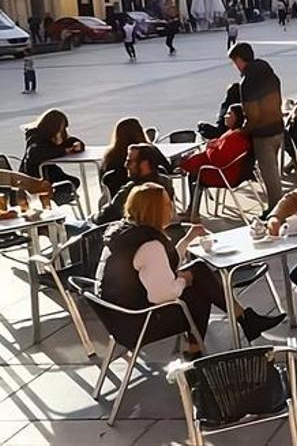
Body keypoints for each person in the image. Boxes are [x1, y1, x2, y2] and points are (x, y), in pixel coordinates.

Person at [95, 183, 284, 354]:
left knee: (199, 271)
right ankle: (241, 322)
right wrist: (184, 279)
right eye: (168, 205)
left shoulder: (125, 234)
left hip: (117, 318)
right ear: (156, 211)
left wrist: (187, 239)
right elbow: (162, 295)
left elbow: (161, 267)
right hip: (139, 324)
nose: (172, 209)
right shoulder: (149, 245)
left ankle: (237, 324)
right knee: (200, 287)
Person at [228, 43, 284, 209]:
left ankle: (276, 209)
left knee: (270, 175)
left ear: (239, 59)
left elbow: (254, 115)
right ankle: (279, 205)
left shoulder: (247, 82)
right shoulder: (270, 74)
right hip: (278, 128)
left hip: (263, 134)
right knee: (275, 172)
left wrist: (242, 131)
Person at [181, 104, 252, 218]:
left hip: (226, 175)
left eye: (229, 114)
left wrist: (209, 147)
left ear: (237, 118)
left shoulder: (236, 137)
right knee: (194, 170)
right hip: (228, 171)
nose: (225, 116)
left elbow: (218, 160)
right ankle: (192, 209)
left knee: (194, 175)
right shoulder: (233, 132)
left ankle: (192, 211)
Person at [91, 143, 176, 227]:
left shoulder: (134, 189)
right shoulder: (166, 182)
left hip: (128, 236)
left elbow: (107, 216)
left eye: (129, 161)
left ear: (144, 164)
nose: (125, 165)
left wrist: (92, 218)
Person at [20, 109, 84, 204]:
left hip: (50, 171)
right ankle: (54, 199)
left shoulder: (55, 136)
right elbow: (35, 154)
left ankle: (57, 198)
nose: (62, 131)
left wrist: (77, 144)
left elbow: (69, 141)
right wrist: (64, 151)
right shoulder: (35, 137)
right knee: (70, 184)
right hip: (36, 174)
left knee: (73, 182)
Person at [100, 118, 168, 197]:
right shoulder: (150, 151)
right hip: (155, 197)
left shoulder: (111, 156)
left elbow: (103, 177)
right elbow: (166, 168)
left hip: (117, 197)